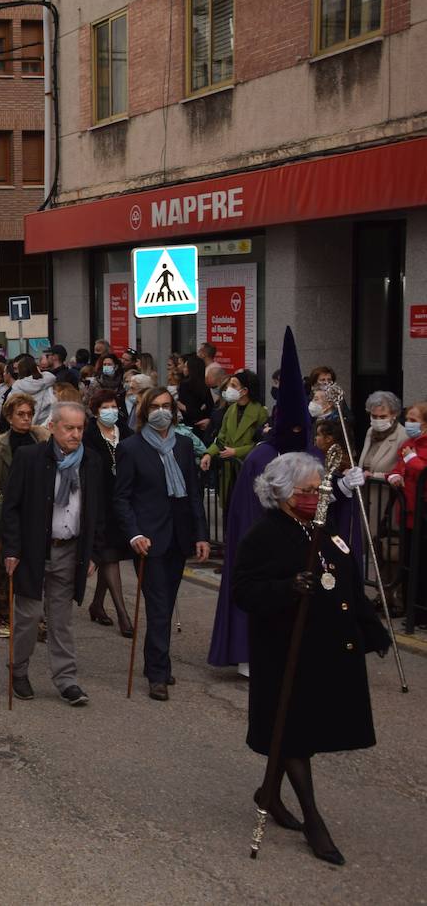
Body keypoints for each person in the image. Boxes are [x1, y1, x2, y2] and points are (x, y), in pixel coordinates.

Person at [234, 452, 390, 865]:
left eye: (320, 490)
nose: (317, 497)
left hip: (324, 650)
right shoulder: (265, 535)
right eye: (308, 491)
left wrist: (371, 628)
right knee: (293, 732)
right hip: (284, 651)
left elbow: (348, 582)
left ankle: (268, 793)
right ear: (284, 495)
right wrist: (286, 587)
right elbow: (244, 591)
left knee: (300, 730)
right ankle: (314, 820)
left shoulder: (323, 527)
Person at [208, 328, 314, 672]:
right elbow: (245, 513)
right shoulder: (260, 457)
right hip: (267, 545)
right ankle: (247, 654)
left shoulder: (314, 457)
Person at [1, 402, 105, 705]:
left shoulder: (91, 462)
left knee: (61, 619)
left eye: (80, 428)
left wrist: (94, 553)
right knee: (29, 617)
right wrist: (12, 549)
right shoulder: (30, 458)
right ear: (52, 427)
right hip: (33, 551)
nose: (75, 435)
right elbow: (11, 508)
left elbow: (97, 512)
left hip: (70, 550)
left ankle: (66, 679)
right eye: (68, 428)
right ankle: (18, 669)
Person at [114, 387, 210, 700]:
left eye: (166, 406)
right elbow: (122, 497)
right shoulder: (131, 447)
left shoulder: (183, 445)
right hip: (148, 539)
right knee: (156, 606)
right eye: (154, 406)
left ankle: (156, 660)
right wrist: (134, 534)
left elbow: (193, 492)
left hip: (179, 535)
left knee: (165, 605)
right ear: (144, 411)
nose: (161, 411)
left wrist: (201, 534)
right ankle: (157, 672)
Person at [0, 393, 49, 636]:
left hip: (36, 518)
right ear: (9, 417)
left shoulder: (42, 444)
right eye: (21, 414)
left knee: (34, 570)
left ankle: (36, 619)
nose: (26, 419)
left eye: (29, 414)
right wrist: (10, 514)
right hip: (3, 518)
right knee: (3, 569)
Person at [82, 390, 135, 636]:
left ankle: (97, 604)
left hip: (124, 501)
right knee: (109, 555)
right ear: (95, 410)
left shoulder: (126, 431)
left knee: (111, 554)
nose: (111, 410)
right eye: (105, 406)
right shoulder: (89, 436)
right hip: (99, 503)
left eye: (114, 406)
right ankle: (123, 614)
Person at [201, 370, 268, 510]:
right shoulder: (230, 410)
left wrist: (236, 452)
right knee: (229, 509)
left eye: (233, 385)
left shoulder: (260, 412)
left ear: (244, 391)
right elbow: (221, 438)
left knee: (246, 510)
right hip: (229, 472)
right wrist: (208, 454)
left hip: (247, 469)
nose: (228, 389)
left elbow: (262, 444)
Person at [387, 401, 427, 625]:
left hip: (423, 513)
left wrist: (412, 460)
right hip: (407, 512)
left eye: (414, 420)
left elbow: (422, 471)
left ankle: (421, 613)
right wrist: (393, 476)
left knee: (422, 565)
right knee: (410, 563)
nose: (408, 424)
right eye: (408, 419)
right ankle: (411, 610)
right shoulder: (409, 443)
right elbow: (397, 467)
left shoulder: (419, 447)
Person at [8, 355, 57, 426]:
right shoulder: (46, 382)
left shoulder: (17, 386)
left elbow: (10, 406)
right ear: (35, 368)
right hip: (43, 423)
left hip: (23, 423)